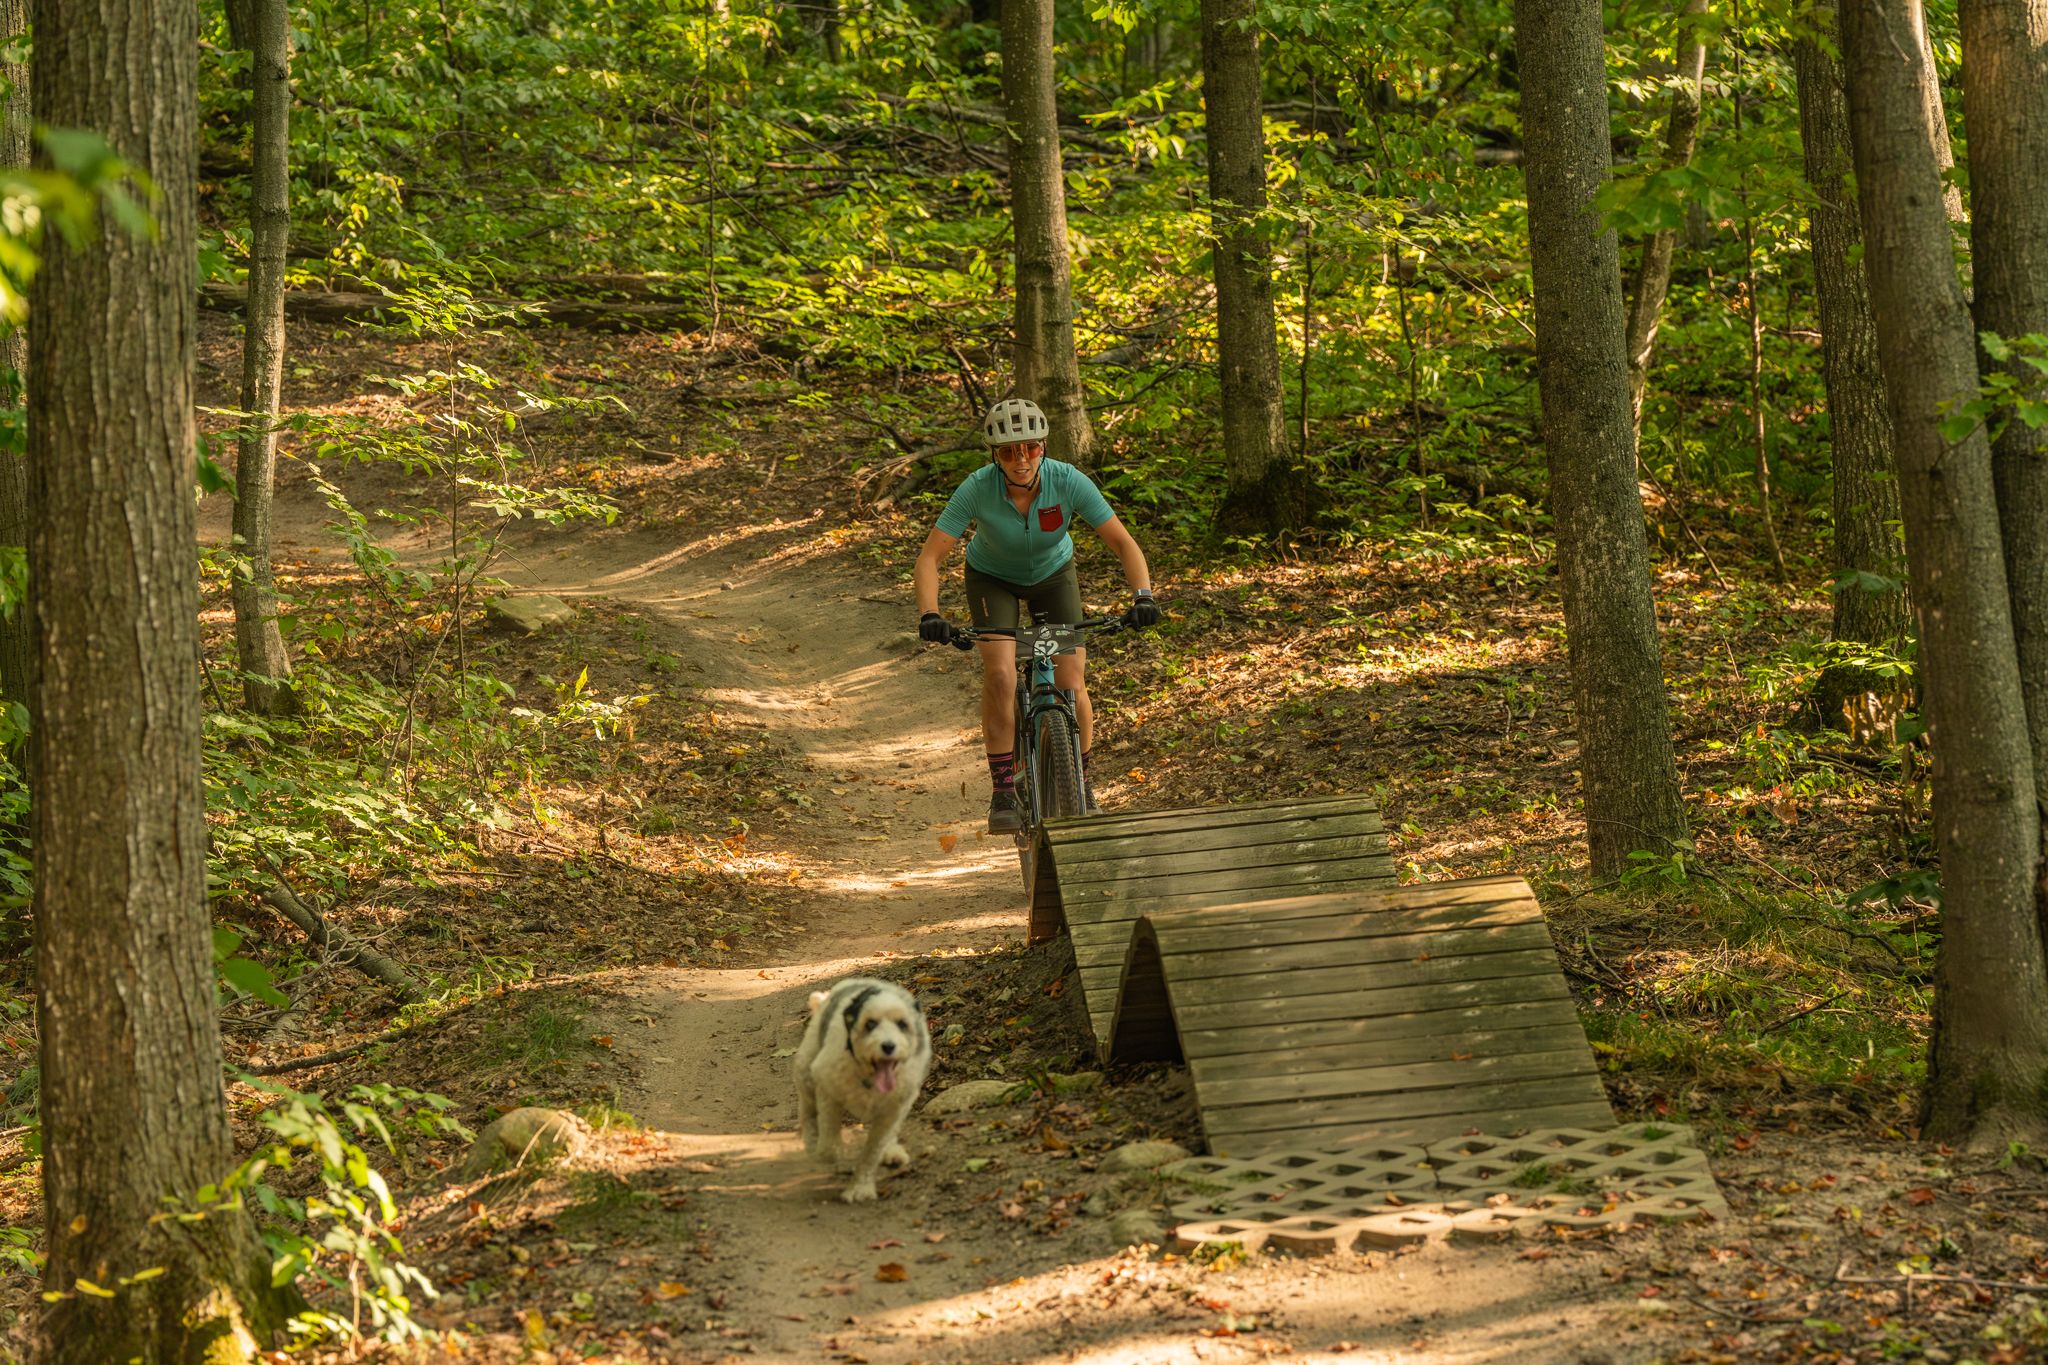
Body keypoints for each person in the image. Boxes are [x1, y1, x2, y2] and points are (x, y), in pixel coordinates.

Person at [913, 397, 1160, 833]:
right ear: (995, 455)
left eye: (1029, 447)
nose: (1021, 459)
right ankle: (1004, 789)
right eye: (1009, 451)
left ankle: (1081, 782)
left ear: (1043, 446)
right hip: (993, 579)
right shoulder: (976, 488)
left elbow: (1123, 542)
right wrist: (929, 612)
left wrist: (1142, 596)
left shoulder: (1068, 481)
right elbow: (931, 557)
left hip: (1052, 576)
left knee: (1070, 679)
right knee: (1003, 675)